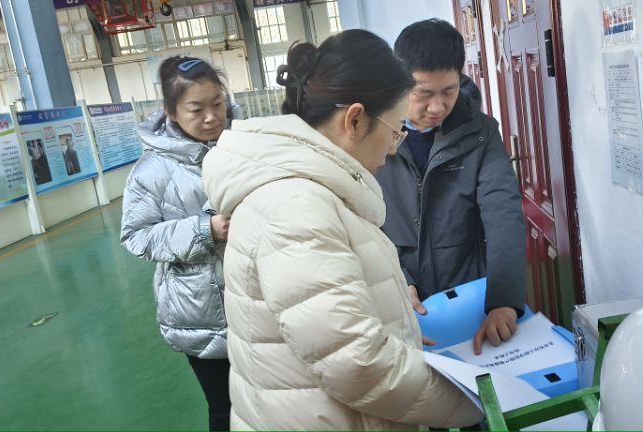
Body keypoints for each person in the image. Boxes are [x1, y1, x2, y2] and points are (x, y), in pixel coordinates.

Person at [201, 30, 482, 430]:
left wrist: (399, 330)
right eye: (395, 131)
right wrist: (479, 398)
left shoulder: (314, 192)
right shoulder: (296, 208)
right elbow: (356, 364)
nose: (394, 147)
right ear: (354, 119)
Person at [375, 19, 528, 355]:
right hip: (398, 296)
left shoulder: (480, 132)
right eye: (423, 93)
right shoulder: (374, 133)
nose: (437, 107)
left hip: (469, 295)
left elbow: (503, 213)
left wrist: (503, 300)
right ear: (401, 82)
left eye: (449, 91)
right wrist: (397, 280)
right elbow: (365, 222)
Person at [119, 56, 240, 431]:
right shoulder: (152, 171)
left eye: (218, 103)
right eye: (196, 109)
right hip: (200, 312)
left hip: (255, 299)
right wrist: (204, 230)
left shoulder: (245, 145)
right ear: (171, 112)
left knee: (270, 399)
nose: (212, 117)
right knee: (225, 408)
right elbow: (136, 236)